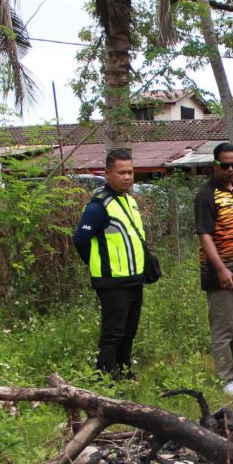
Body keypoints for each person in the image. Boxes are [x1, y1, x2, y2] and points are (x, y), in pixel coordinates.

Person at [73, 149, 150, 380]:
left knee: (129, 332)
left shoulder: (128, 201)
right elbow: (80, 239)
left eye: (130, 172)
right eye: (121, 172)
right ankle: (105, 377)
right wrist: (97, 263)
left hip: (134, 278)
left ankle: (124, 373)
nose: (127, 177)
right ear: (107, 173)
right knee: (113, 333)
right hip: (112, 282)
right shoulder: (99, 205)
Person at [194, 143, 233, 397]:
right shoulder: (206, 195)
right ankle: (226, 377)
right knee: (223, 326)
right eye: (225, 165)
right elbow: (205, 236)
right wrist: (221, 269)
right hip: (220, 274)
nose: (230, 169)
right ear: (215, 165)